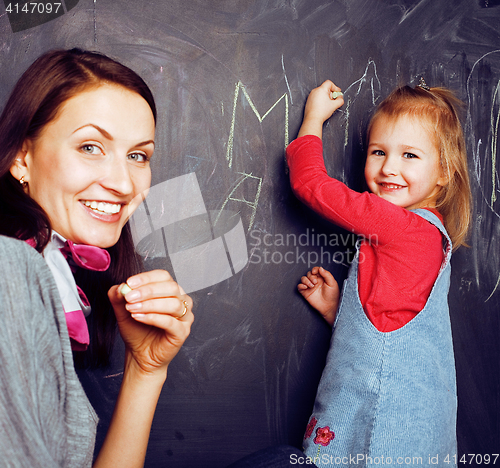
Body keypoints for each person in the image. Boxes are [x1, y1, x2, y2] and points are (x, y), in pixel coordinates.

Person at [0, 48, 193, 467]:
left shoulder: (45, 275)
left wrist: (146, 370)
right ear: (21, 156)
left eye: (138, 156)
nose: (124, 184)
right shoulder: (9, 269)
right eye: (90, 147)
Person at [286, 79, 471, 465]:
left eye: (410, 156)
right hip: (415, 433)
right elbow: (398, 328)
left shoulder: (398, 226)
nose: (389, 168)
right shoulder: (428, 235)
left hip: (382, 430)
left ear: (444, 172)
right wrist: (341, 311)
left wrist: (313, 119)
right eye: (378, 151)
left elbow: (309, 183)